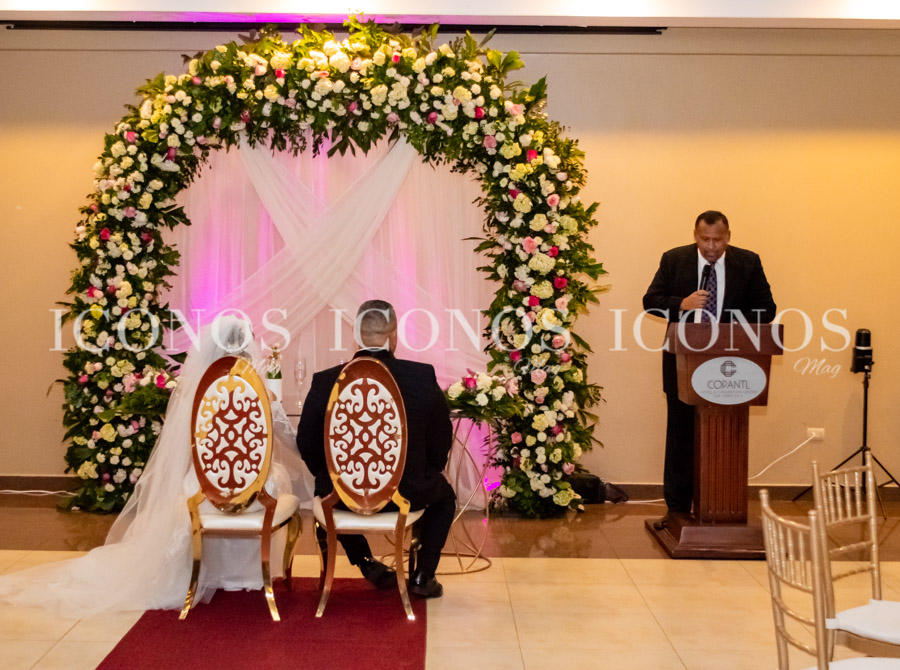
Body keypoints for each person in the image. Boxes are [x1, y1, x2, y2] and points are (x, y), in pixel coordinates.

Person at [0, 315, 313, 617]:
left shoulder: (197, 395)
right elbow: (291, 441)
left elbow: (189, 450)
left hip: (205, 491)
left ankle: (204, 571)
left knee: (195, 484)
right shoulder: (263, 393)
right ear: (248, 351)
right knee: (279, 479)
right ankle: (251, 575)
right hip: (255, 495)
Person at [297, 299, 455, 598]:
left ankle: (366, 562)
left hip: (342, 496)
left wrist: (334, 475)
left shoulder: (325, 381)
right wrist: (424, 474)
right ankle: (423, 576)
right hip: (406, 495)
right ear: (394, 335)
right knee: (443, 498)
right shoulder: (421, 377)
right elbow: (440, 440)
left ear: (356, 336)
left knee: (324, 490)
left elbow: (306, 442)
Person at [642, 210, 776, 527]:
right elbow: (650, 300)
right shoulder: (674, 259)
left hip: (732, 365)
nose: (712, 246)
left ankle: (720, 508)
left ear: (728, 236)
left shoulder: (748, 262)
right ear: (695, 235)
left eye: (718, 239)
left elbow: (767, 309)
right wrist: (681, 304)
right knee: (680, 436)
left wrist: (732, 328)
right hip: (683, 363)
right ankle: (677, 510)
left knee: (726, 436)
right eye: (705, 239)